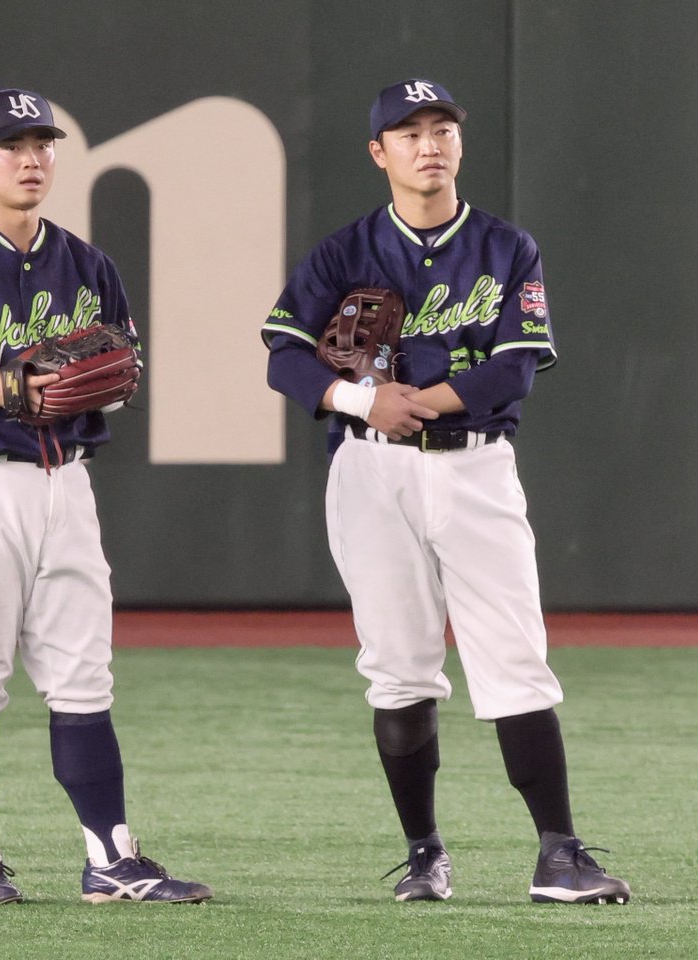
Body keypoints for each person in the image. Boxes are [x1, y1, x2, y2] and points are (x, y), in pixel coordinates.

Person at [261, 78, 630, 905]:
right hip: (370, 469)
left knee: (514, 658)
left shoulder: (505, 247)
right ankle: (424, 854)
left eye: (442, 128)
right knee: (396, 667)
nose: (429, 143)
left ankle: (560, 853)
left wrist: (424, 400)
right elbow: (284, 355)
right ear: (379, 152)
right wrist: (363, 399)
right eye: (409, 131)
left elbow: (517, 360)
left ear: (459, 144)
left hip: (474, 465)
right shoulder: (343, 252)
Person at [0, 87, 211, 906]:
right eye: (11, 145)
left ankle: (110, 857)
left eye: (42, 144)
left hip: (68, 484)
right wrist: (2, 385)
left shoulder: (89, 265)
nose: (30, 159)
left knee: (84, 678)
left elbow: (123, 373)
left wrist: (98, 385)